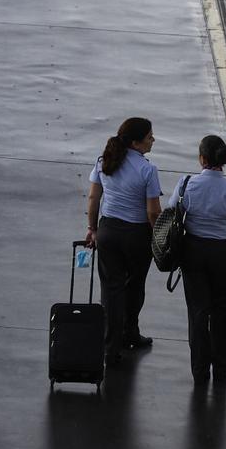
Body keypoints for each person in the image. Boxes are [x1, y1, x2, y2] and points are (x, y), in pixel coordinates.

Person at [172, 135, 226, 383]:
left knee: (197, 311)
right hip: (223, 254)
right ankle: (221, 366)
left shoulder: (186, 185)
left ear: (202, 159)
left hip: (193, 251)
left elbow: (171, 215)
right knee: (221, 308)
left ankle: (199, 369)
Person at [85, 117, 162, 365]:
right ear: (136, 143)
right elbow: (153, 212)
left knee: (111, 290)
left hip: (108, 231)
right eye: (149, 136)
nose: (153, 140)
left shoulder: (104, 161)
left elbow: (93, 198)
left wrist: (92, 229)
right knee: (135, 286)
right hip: (137, 235)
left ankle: (110, 347)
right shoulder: (147, 170)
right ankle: (130, 333)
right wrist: (158, 236)